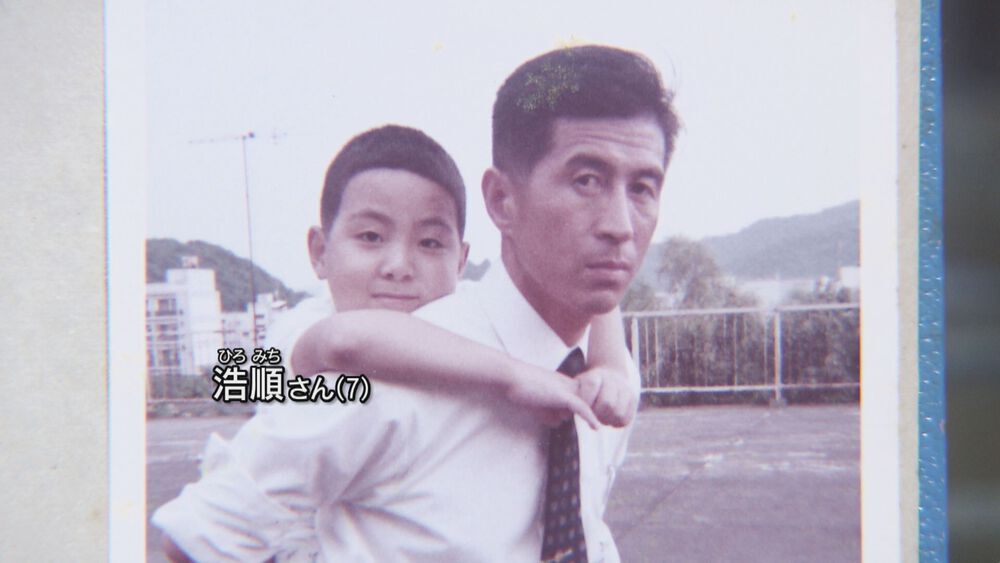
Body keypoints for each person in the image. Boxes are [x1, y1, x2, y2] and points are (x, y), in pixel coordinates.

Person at [153, 119, 644, 561]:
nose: (399, 266)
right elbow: (350, 341)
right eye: (370, 237)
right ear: (320, 252)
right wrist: (513, 376)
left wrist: (610, 362)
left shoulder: (464, 325)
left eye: (430, 242)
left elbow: (586, 292)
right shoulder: (313, 342)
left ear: (460, 260)